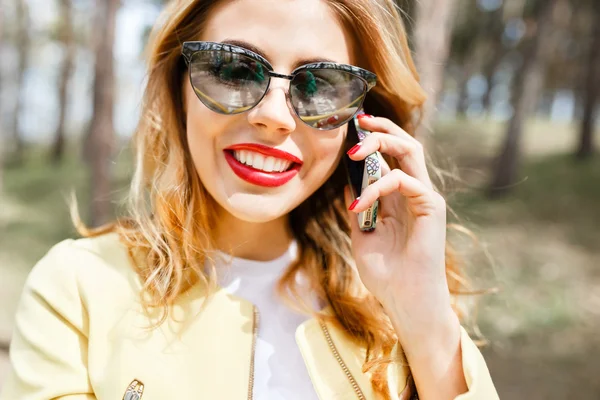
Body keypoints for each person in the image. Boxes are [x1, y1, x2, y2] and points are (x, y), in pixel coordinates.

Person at [0, 0, 499, 399]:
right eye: (235, 70)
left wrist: (423, 318)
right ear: (176, 86)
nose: (275, 117)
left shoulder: (397, 300)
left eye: (320, 85)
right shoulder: (78, 289)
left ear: (358, 119)